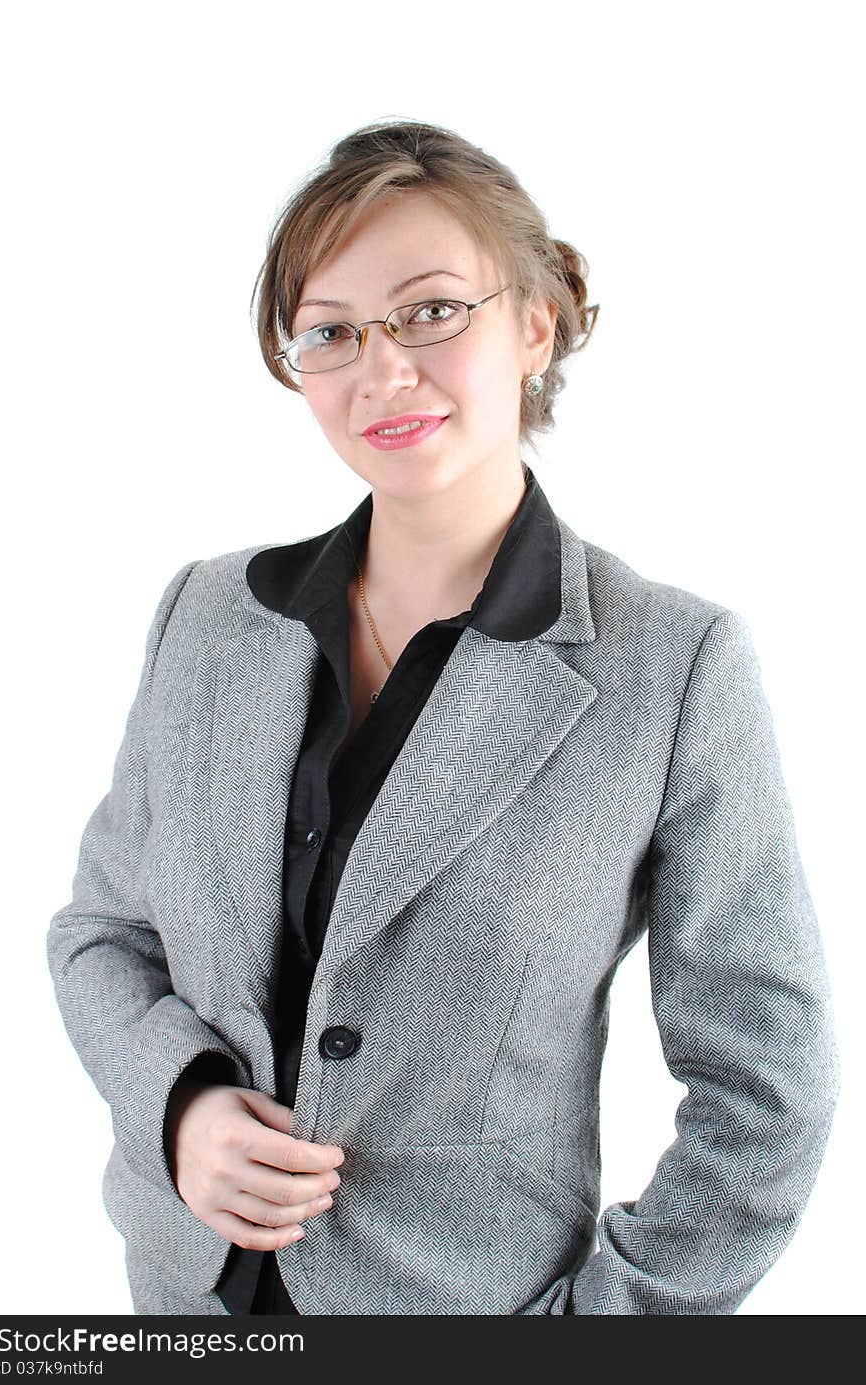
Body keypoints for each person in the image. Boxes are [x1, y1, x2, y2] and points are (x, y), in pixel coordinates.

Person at [47, 117, 840, 1317]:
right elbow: (103, 934)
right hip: (180, 1304)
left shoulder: (673, 666)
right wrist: (181, 1103)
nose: (382, 369)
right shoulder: (210, 615)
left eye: (429, 311)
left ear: (534, 323)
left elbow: (765, 1088)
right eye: (332, 331)